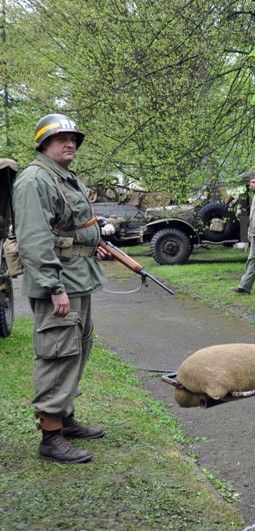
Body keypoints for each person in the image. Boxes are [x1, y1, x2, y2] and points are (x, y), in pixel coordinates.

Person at [13, 113, 108, 464]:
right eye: (60, 138)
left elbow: (72, 225)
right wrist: (54, 287)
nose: (69, 143)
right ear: (43, 144)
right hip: (59, 282)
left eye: (73, 139)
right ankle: (51, 436)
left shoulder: (64, 177)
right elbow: (34, 240)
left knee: (77, 348)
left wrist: (90, 242)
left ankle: (64, 418)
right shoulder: (34, 180)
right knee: (57, 353)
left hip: (77, 276)